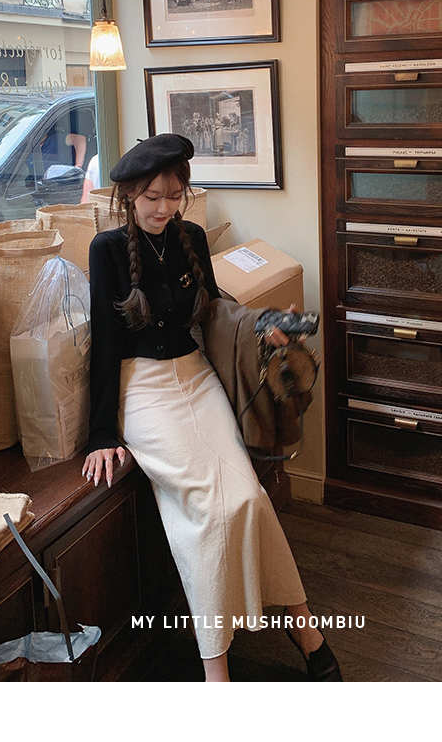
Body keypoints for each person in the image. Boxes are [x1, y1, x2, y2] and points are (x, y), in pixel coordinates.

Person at [82, 134, 342, 683]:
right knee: (207, 513)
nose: (163, 208)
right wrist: (102, 432)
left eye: (173, 196)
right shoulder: (106, 249)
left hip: (197, 378)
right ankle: (216, 670)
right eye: (152, 197)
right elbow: (104, 342)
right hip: (143, 391)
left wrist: (269, 328)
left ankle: (303, 628)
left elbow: (217, 312)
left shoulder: (192, 237)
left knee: (246, 496)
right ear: (129, 195)